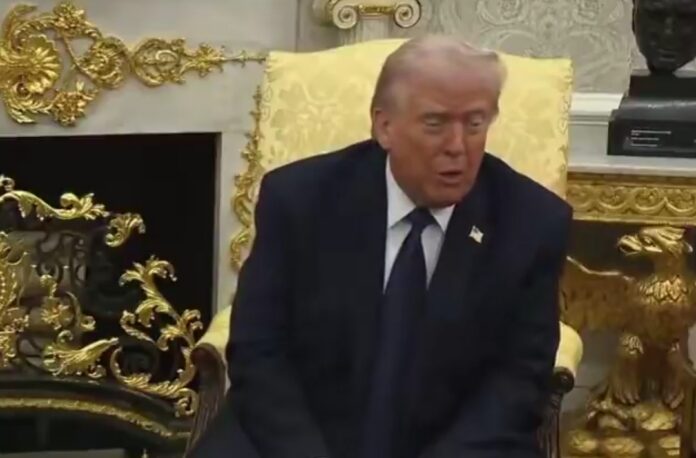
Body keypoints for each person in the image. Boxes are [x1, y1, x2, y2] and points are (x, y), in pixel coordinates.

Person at [189, 35, 572, 458]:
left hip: (457, 445)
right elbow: (258, 350)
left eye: (475, 124)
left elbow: (519, 380)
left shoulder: (532, 222)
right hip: (299, 435)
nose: (457, 146)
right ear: (384, 126)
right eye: (435, 123)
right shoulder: (300, 200)